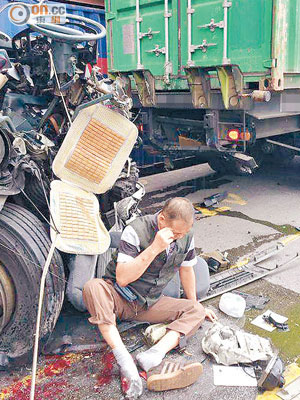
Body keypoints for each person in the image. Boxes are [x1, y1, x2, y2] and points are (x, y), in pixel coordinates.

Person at [83, 197, 217, 398]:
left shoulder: (186, 236)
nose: (180, 237)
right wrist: (155, 247)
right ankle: (124, 359)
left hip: (150, 303)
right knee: (92, 287)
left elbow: (187, 271)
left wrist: (195, 304)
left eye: (184, 233)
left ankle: (154, 355)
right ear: (162, 220)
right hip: (119, 297)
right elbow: (123, 277)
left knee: (196, 309)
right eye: (176, 233)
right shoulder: (135, 231)